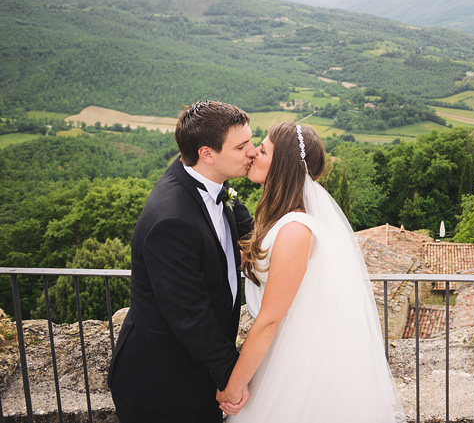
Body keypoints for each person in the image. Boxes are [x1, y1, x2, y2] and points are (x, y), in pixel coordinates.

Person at [218, 123, 404, 422]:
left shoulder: (295, 230)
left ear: (283, 165)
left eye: (262, 150)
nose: (253, 153)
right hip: (278, 354)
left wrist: (234, 386)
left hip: (294, 363)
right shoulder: (284, 220)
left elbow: (269, 319)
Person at [109, 101, 258, 423]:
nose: (253, 152)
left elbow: (251, 234)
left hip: (195, 374)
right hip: (163, 386)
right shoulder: (172, 220)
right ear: (207, 153)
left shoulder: (214, 183)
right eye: (243, 146)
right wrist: (230, 376)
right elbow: (190, 314)